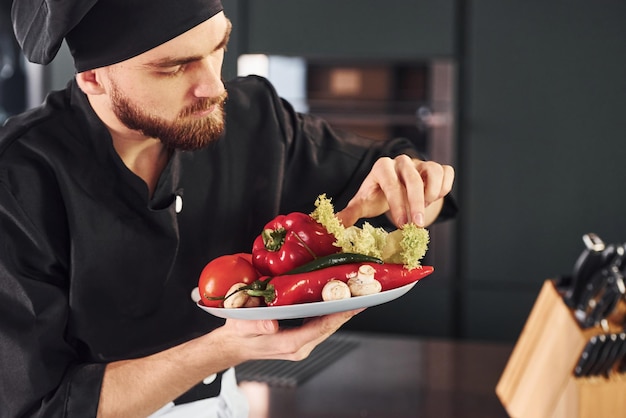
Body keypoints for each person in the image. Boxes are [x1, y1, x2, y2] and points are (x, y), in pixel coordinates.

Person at [0, 0, 456, 417]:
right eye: (174, 68)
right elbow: (42, 407)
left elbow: (396, 186)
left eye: (217, 48)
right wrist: (225, 348)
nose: (213, 86)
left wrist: (413, 186)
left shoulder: (253, 117)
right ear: (94, 77)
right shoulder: (17, 181)